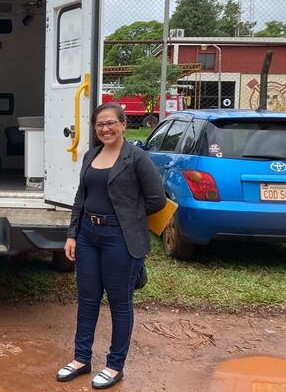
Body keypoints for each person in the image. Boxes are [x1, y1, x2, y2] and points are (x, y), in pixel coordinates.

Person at [56, 102, 166, 389]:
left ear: (123, 124)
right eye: (99, 124)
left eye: (110, 123)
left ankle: (115, 365)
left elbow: (157, 200)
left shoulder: (136, 157)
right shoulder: (91, 155)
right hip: (88, 235)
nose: (105, 129)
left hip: (120, 238)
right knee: (88, 299)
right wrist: (71, 234)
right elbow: (82, 196)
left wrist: (126, 217)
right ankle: (81, 359)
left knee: (119, 303)